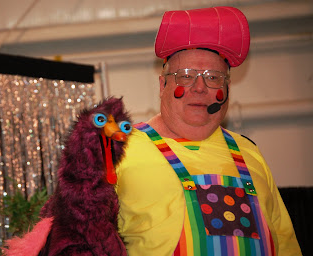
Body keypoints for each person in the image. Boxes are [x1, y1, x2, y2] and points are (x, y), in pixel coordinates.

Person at [116, 6, 302, 256]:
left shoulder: (249, 152)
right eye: (186, 76)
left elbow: (286, 244)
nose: (200, 88)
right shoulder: (121, 149)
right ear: (163, 85)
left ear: (227, 87)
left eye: (213, 77)